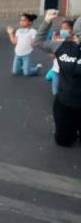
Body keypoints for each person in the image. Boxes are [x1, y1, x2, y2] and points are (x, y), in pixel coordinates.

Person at [35, 10, 81, 146]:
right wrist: (47, 22)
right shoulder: (62, 46)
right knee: (63, 141)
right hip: (65, 103)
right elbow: (38, 42)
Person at [6, 13, 42, 77]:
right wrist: (10, 33)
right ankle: (24, 66)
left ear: (30, 22)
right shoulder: (18, 31)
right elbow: (14, 42)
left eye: (24, 20)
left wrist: (36, 40)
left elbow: (33, 42)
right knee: (15, 72)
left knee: (27, 73)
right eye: (21, 20)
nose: (21, 22)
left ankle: (36, 69)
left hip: (27, 54)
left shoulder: (33, 31)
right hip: (17, 54)